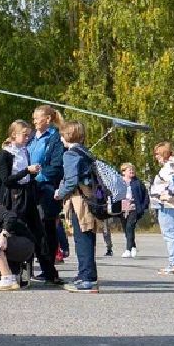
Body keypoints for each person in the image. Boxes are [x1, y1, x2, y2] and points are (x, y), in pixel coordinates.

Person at [55, 122, 102, 293]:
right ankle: (88, 274)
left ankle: (87, 278)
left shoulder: (70, 154)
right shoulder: (85, 151)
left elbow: (71, 180)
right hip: (90, 198)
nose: (60, 138)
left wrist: (59, 193)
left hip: (79, 200)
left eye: (62, 135)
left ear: (67, 136)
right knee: (88, 237)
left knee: (82, 238)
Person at [26, 105, 68, 283]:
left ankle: (49, 269)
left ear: (48, 119)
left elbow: (57, 166)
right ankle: (29, 268)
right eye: (34, 118)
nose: (34, 121)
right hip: (28, 187)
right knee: (28, 226)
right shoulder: (30, 138)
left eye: (37, 118)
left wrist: (38, 176)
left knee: (46, 227)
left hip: (46, 188)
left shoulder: (56, 138)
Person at [149, 143, 174, 275]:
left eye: (158, 154)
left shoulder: (170, 167)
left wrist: (166, 195)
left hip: (169, 205)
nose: (156, 157)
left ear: (164, 154)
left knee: (171, 235)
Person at [118, 162, 150, 258]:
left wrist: (143, 207)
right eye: (129, 170)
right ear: (123, 172)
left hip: (134, 208)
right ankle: (133, 247)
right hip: (122, 208)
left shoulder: (137, 182)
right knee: (126, 229)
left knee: (129, 227)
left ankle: (128, 250)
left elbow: (145, 196)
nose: (132, 171)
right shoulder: (119, 182)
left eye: (133, 170)